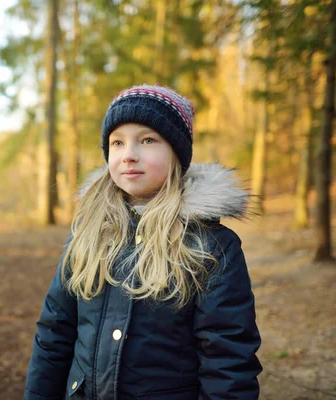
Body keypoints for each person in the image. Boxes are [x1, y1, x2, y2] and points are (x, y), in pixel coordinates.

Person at [24, 85, 262, 400]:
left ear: (177, 152)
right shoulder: (88, 233)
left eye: (148, 140)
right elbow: (54, 334)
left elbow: (228, 360)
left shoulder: (211, 246)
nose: (129, 155)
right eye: (117, 142)